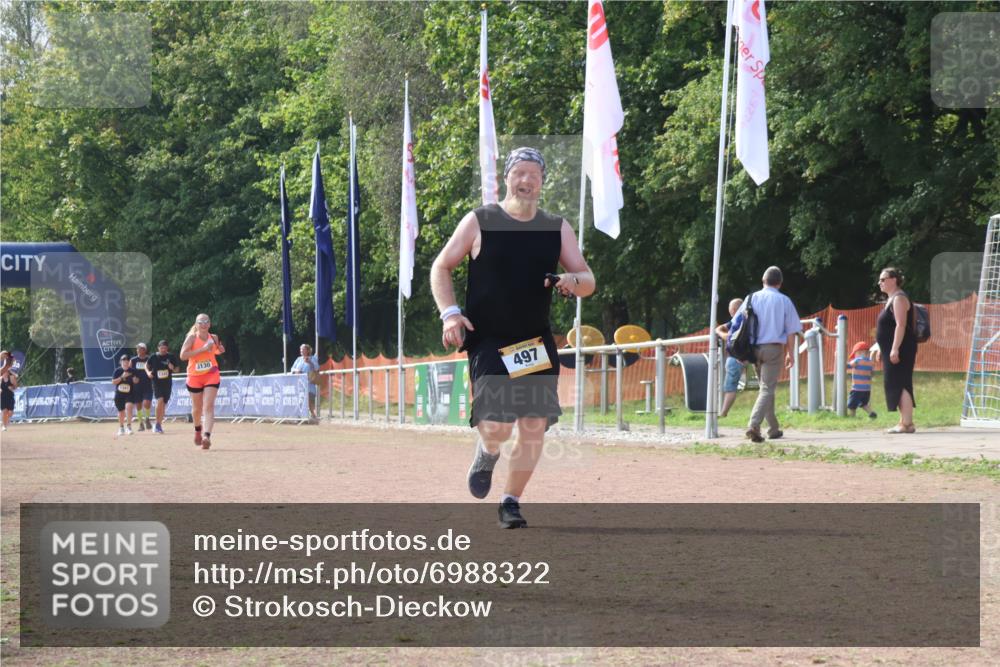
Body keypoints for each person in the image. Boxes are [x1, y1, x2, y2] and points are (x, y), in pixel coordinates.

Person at [430, 147, 596, 529]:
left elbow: (588, 280)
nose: (526, 180)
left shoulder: (556, 227)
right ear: (506, 178)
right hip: (488, 339)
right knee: (497, 427)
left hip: (534, 341)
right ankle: (488, 451)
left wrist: (571, 280)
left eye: (534, 175)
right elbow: (441, 266)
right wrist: (450, 313)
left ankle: (511, 502)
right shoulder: (480, 221)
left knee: (534, 424)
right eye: (519, 173)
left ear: (542, 182)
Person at [737, 266, 802, 443]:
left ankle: (773, 429)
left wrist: (739, 351)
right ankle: (754, 425)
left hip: (753, 349)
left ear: (763, 280)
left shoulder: (751, 298)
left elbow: (738, 323)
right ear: (780, 283)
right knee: (767, 389)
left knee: (765, 389)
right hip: (773, 349)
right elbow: (791, 331)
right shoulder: (784, 301)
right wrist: (790, 353)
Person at [871, 267, 917, 433]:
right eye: (880, 280)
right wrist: (880, 347)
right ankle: (904, 421)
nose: (880, 283)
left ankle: (907, 424)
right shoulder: (892, 299)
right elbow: (888, 328)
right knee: (895, 383)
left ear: (894, 280)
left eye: (883, 279)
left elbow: (900, 325)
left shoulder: (899, 298)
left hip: (902, 348)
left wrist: (895, 349)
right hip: (892, 348)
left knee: (901, 383)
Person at [180, 313, 225, 450]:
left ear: (210, 324)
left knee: (208, 406)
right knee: (197, 409)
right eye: (201, 322)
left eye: (206, 321)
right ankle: (197, 430)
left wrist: (220, 350)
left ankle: (206, 436)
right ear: (196, 324)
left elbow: (215, 351)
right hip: (194, 376)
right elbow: (183, 355)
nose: (204, 324)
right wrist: (202, 349)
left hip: (211, 374)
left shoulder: (214, 337)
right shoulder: (191, 338)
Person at [715, 297, 747, 418]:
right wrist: (720, 329)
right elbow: (724, 327)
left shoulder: (739, 320)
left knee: (730, 387)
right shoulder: (741, 319)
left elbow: (729, 337)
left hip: (736, 357)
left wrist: (719, 332)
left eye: (730, 309)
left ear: (733, 310)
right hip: (742, 357)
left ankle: (723, 413)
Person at [145, 340, 180, 434]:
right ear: (158, 348)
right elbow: (146, 365)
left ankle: (158, 424)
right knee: (159, 400)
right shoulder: (153, 357)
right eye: (161, 348)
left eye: (165, 348)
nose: (163, 349)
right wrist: (148, 373)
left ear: (167, 348)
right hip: (156, 382)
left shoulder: (171, 357)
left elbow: (177, 369)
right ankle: (157, 424)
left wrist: (173, 368)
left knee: (163, 404)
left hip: (167, 383)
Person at [846, 341, 878, 419]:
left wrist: (841, 360)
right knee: (864, 404)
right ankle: (871, 412)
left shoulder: (857, 360)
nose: (855, 356)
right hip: (867, 389)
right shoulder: (870, 363)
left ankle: (852, 417)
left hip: (857, 389)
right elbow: (872, 372)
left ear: (859, 352)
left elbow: (848, 366)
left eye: (855, 354)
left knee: (852, 405)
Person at [111, 354, 139, 436]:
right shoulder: (117, 371)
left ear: (129, 362)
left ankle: (129, 427)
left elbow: (137, 380)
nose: (125, 363)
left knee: (129, 407)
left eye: (127, 361)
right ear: (120, 362)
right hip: (119, 394)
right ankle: (121, 428)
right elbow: (113, 382)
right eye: (124, 361)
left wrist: (135, 380)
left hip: (130, 394)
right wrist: (122, 377)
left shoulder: (133, 371)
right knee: (121, 411)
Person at [290, 343, 319, 420]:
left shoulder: (313, 358)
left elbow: (317, 368)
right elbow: (292, 369)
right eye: (300, 349)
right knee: (300, 400)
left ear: (308, 350)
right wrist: (297, 371)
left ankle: (313, 415)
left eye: (303, 349)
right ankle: (300, 416)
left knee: (309, 400)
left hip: (310, 383)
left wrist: (310, 363)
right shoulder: (298, 359)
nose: (301, 351)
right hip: (300, 384)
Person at [130, 343, 154, 432]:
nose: (138, 350)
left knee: (146, 403)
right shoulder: (133, 360)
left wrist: (152, 374)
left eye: (140, 349)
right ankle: (141, 424)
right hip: (137, 387)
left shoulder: (149, 359)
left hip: (148, 385)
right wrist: (133, 378)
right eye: (137, 349)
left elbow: (154, 369)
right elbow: (129, 371)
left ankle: (147, 419)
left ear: (145, 350)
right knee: (138, 405)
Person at [1, 351, 17, 432]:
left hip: (10, 396)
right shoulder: (1, 375)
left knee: (10, 413)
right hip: (2, 396)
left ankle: (6, 422)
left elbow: (15, 386)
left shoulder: (12, 376)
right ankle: (4, 426)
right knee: (4, 411)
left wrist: (12, 387)